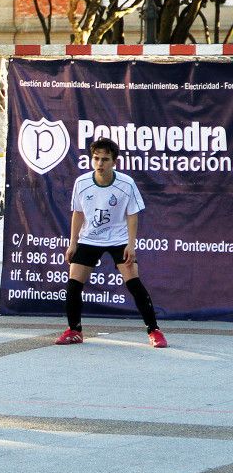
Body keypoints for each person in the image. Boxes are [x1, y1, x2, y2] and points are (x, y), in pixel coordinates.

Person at [58, 137, 167, 348]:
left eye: (105, 159)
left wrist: (131, 244)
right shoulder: (81, 183)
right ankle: (74, 330)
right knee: (73, 283)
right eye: (96, 159)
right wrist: (73, 243)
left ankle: (154, 331)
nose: (100, 163)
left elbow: (133, 215)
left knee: (133, 282)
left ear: (114, 162)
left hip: (118, 239)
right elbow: (78, 214)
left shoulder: (126, 184)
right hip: (90, 238)